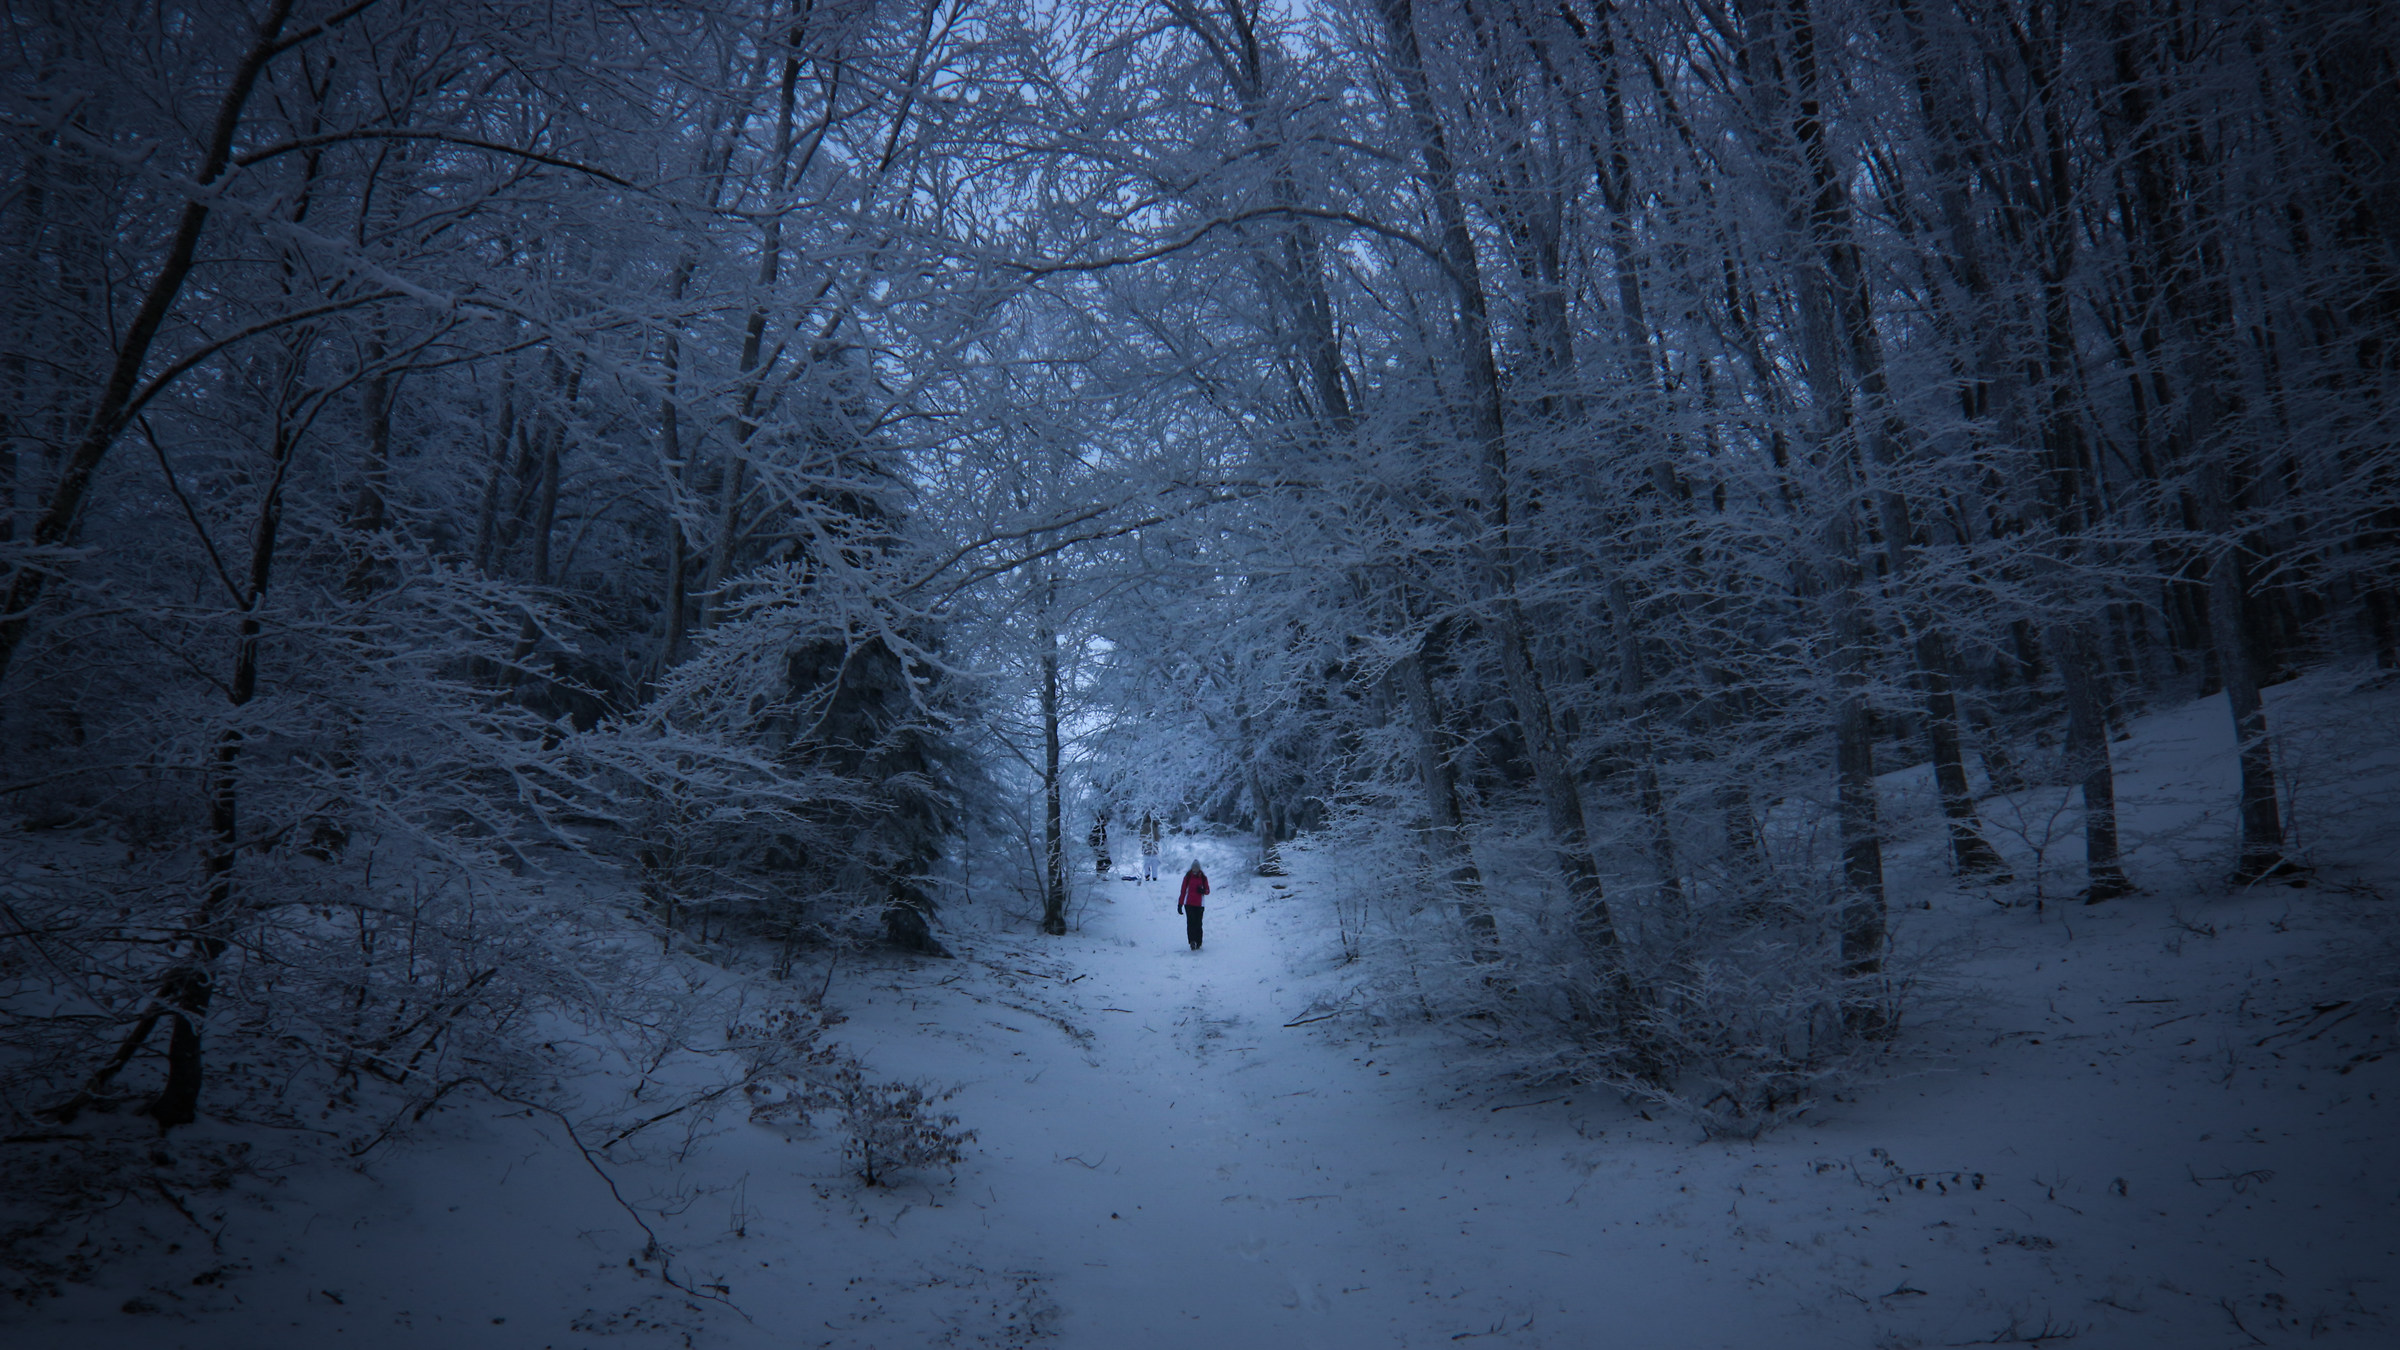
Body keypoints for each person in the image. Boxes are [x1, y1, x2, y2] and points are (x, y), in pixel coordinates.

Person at [1176, 861, 1210, 950]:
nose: (1195, 869)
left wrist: (1202, 891)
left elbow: (1207, 891)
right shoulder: (1187, 877)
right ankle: (1192, 942)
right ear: (1192, 868)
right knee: (1191, 923)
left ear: (1199, 868)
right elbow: (1183, 891)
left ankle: (1199, 942)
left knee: (1198, 924)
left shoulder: (1203, 877)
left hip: (1200, 905)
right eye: (1194, 867)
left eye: (1197, 867)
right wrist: (1180, 904)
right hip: (1189, 904)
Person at [1138, 811, 1162, 882]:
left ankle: (1147, 876)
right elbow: (1157, 838)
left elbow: (1140, 837)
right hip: (1154, 849)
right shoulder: (1154, 826)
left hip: (1145, 848)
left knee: (1146, 864)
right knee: (1154, 865)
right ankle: (1154, 877)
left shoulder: (1143, 826)